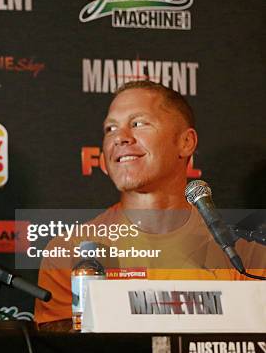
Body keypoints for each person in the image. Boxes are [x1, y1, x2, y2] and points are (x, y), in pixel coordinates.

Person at [34, 80, 265, 331]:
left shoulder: (243, 257)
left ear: (186, 142)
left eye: (138, 123)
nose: (119, 138)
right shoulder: (70, 254)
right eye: (110, 128)